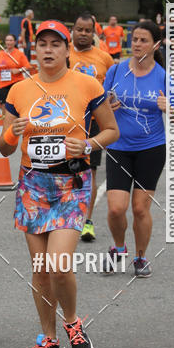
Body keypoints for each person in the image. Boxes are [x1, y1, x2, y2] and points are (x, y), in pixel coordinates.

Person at [0, 20, 119, 348]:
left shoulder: (86, 83)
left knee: (59, 265)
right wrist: (11, 134)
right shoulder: (18, 91)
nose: (48, 50)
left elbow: (112, 130)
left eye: (56, 44)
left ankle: (72, 323)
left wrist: (89, 144)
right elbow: (4, 148)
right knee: (40, 269)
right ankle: (48, 337)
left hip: (71, 185)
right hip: (33, 186)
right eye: (42, 44)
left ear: (68, 50)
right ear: (34, 50)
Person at [102, 19, 174, 278]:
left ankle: (141, 257)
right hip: (118, 146)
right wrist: (107, 108)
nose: (137, 44)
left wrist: (169, 108)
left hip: (151, 148)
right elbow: (99, 106)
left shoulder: (163, 77)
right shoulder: (116, 71)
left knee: (139, 208)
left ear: (156, 44)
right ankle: (119, 248)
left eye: (143, 40)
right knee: (115, 208)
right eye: (134, 39)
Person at [68, 13, 115, 243]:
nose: (83, 34)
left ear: (94, 33)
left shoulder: (104, 59)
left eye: (88, 31)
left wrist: (113, 102)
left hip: (93, 124)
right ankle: (62, 216)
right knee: (62, 170)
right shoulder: (62, 52)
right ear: (73, 30)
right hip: (64, 122)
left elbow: (113, 89)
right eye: (79, 29)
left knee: (89, 173)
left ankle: (87, 221)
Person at [0, 33, 31, 108]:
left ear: (15, 42)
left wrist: (19, 70)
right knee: (4, 107)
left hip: (16, 82)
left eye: (11, 40)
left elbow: (28, 66)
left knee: (16, 106)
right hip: (2, 84)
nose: (8, 42)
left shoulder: (19, 54)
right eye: (7, 40)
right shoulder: (1, 53)